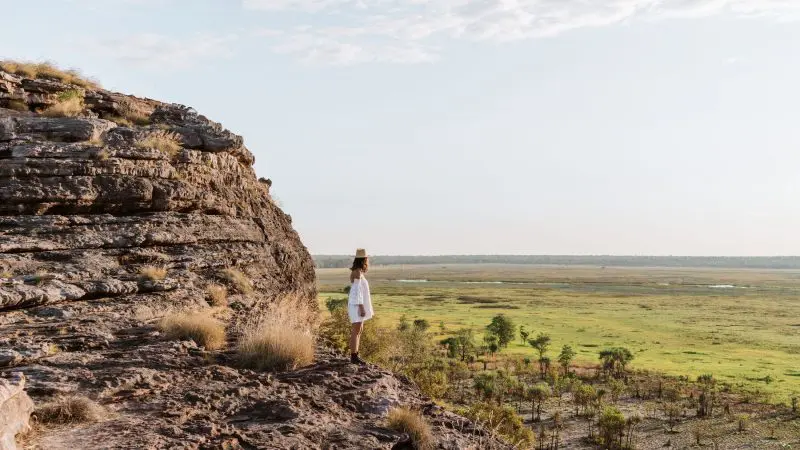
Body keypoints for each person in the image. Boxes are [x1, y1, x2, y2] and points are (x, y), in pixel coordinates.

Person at [348, 248, 373, 365]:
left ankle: (356, 355)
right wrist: (361, 307)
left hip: (357, 304)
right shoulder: (357, 272)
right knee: (356, 330)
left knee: (359, 330)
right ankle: (353, 357)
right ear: (364, 260)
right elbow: (357, 292)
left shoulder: (358, 272)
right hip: (357, 305)